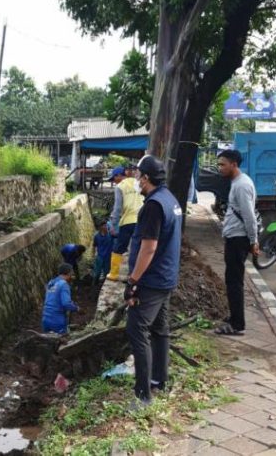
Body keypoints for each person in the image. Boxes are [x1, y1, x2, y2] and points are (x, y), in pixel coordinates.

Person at [124, 155, 182, 406]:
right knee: (160, 330)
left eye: (138, 174)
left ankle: (143, 395)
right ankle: (160, 380)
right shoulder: (170, 200)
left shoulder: (153, 206)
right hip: (166, 276)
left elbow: (148, 248)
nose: (136, 179)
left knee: (137, 330)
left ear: (146, 177)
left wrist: (133, 280)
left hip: (152, 279)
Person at [215, 149, 259, 336]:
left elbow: (249, 216)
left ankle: (237, 324)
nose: (219, 168)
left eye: (222, 164)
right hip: (234, 237)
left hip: (238, 239)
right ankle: (234, 316)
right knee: (232, 279)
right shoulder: (237, 183)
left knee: (234, 282)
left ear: (234, 164)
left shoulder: (241, 186)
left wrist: (254, 240)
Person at [107, 165, 144, 280]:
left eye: (114, 178)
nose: (113, 181)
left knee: (118, 247)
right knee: (137, 248)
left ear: (119, 175)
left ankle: (113, 274)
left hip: (128, 220)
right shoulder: (138, 182)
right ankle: (133, 275)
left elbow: (117, 208)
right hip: (142, 219)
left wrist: (113, 226)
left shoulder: (120, 187)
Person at [42, 263, 79, 334]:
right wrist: (76, 308)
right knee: (61, 342)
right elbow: (66, 304)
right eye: (71, 273)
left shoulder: (51, 282)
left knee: (48, 342)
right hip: (57, 320)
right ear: (69, 273)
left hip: (45, 318)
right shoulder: (64, 284)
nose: (72, 275)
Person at [91, 220, 113, 285]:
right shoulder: (96, 236)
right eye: (104, 225)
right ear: (100, 227)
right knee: (97, 272)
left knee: (107, 272)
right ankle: (94, 285)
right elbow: (94, 246)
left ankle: (103, 284)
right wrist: (93, 254)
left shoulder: (111, 235)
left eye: (106, 225)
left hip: (108, 257)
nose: (106, 227)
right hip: (99, 256)